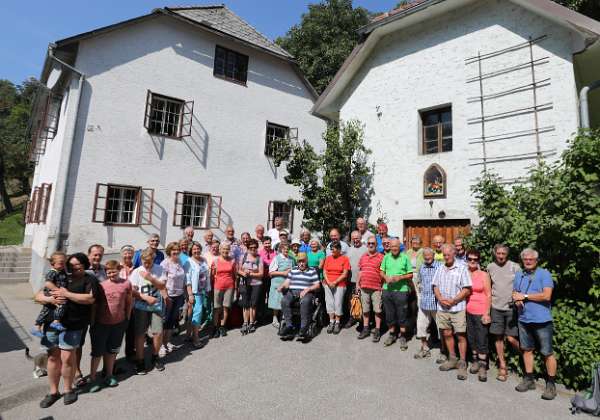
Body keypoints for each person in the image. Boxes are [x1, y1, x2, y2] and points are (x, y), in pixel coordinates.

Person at [35, 253, 97, 407]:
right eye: (72, 265)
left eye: (79, 265)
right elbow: (38, 295)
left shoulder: (89, 279)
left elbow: (89, 299)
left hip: (73, 324)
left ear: (84, 265)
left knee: (68, 359)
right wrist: (49, 299)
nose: (75, 267)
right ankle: (53, 392)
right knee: (52, 358)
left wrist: (66, 294)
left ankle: (69, 390)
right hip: (52, 324)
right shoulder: (60, 276)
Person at [512, 248, 557, 400]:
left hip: (542, 320)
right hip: (523, 319)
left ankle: (551, 385)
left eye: (531, 259)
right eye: (525, 259)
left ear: (536, 260)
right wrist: (517, 299)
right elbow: (515, 293)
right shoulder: (519, 274)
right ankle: (529, 379)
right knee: (527, 350)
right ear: (522, 261)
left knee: (547, 353)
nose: (528, 261)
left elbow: (547, 295)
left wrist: (524, 296)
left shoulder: (544, 274)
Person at [88, 260, 132, 392]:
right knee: (97, 353)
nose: (111, 274)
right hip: (101, 324)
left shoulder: (126, 284)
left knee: (112, 351)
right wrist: (93, 322)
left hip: (118, 323)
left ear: (119, 270)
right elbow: (94, 305)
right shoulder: (101, 286)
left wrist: (127, 318)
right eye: (108, 272)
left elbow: (129, 302)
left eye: (113, 271)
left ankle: (109, 375)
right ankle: (93, 378)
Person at [432, 244, 472, 380]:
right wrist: (440, 298)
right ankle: (452, 358)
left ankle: (462, 362)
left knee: (460, 335)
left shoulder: (462, 268)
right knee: (447, 333)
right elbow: (435, 285)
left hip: (457, 308)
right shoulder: (440, 268)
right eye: (444, 254)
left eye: (449, 254)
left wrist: (454, 300)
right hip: (442, 307)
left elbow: (467, 289)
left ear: (454, 254)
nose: (446, 256)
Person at [487, 244, 521, 382]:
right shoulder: (490, 267)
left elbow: (521, 286)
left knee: (512, 339)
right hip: (496, 308)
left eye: (503, 254)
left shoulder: (515, 267)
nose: (501, 256)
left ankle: (527, 358)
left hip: (511, 308)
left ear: (507, 254)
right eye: (498, 253)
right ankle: (503, 366)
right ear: (495, 253)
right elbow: (488, 287)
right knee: (498, 338)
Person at [130, 249, 166, 375]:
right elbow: (133, 291)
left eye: (149, 262)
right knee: (140, 333)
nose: (146, 265)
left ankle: (155, 356)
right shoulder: (136, 271)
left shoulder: (159, 269)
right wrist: (145, 298)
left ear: (153, 260)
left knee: (158, 332)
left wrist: (150, 278)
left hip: (156, 306)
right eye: (144, 262)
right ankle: (140, 360)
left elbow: (162, 286)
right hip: (141, 306)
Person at [278, 252, 321, 339]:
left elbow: (317, 285)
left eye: (303, 261)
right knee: (284, 300)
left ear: (306, 261)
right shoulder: (293, 269)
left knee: (305, 301)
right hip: (293, 292)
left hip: (307, 293)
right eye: (299, 261)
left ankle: (303, 327)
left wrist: (307, 289)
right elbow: (287, 282)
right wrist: (282, 286)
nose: (301, 263)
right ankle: (289, 325)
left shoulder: (312, 270)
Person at [380, 239, 413, 348]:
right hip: (387, 289)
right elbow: (381, 271)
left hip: (401, 290)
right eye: (392, 246)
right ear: (390, 247)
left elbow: (410, 274)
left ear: (399, 247)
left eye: (396, 247)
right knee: (389, 314)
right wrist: (385, 277)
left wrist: (400, 277)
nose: (394, 248)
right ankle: (392, 335)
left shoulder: (405, 257)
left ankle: (403, 336)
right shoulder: (386, 257)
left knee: (402, 314)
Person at [465, 249, 492, 382]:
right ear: (467, 260)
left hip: (481, 310)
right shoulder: (464, 273)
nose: (472, 261)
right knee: (471, 338)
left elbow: (488, 294)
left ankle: (483, 366)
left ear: (478, 261)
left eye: (475, 259)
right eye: (470, 259)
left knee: (482, 339)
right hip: (467, 310)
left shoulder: (484, 275)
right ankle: (475, 361)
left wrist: (487, 313)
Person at [32, 252, 68, 337]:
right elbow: (48, 283)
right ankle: (56, 322)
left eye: (64, 263)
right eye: (60, 263)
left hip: (53, 293)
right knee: (61, 304)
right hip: (51, 293)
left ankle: (37, 327)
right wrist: (58, 291)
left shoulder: (61, 271)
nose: (63, 265)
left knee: (45, 310)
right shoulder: (53, 272)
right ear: (52, 263)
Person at [413, 248, 440, 359]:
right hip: (424, 302)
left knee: (441, 328)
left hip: (437, 303)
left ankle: (444, 351)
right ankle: (424, 348)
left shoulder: (440, 267)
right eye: (425, 256)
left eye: (429, 255)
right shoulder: (422, 267)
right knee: (421, 326)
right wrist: (420, 293)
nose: (427, 258)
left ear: (433, 255)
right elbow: (419, 281)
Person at [160, 242, 186, 355]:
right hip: (168, 296)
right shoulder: (165, 263)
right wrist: (165, 296)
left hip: (179, 295)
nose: (176, 252)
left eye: (178, 250)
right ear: (169, 251)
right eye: (173, 250)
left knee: (171, 321)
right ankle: (160, 345)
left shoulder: (180, 262)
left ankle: (167, 342)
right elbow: (162, 283)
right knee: (164, 320)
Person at [357, 236, 384, 342]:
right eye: (369, 243)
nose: (371, 245)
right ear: (367, 245)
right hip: (364, 287)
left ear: (376, 245)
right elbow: (360, 271)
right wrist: (357, 285)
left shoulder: (381, 257)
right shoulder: (363, 257)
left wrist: (382, 286)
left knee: (377, 310)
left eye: (373, 243)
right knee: (365, 310)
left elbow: (384, 273)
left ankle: (377, 330)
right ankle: (366, 328)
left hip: (377, 288)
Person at [184, 242, 210, 348]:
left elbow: (207, 275)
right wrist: (190, 294)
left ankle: (188, 334)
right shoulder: (188, 262)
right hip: (195, 292)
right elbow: (188, 280)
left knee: (193, 313)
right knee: (197, 314)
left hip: (204, 290)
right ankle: (196, 337)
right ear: (191, 250)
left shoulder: (203, 260)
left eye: (198, 248)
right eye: (194, 249)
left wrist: (208, 288)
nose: (196, 251)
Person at [323, 242, 350, 334]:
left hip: (340, 284)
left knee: (338, 303)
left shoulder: (344, 259)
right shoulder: (328, 258)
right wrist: (328, 281)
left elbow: (345, 273)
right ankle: (331, 321)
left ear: (339, 249)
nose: (332, 250)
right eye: (331, 248)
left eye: (334, 248)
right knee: (329, 302)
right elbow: (324, 271)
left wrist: (335, 282)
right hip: (328, 284)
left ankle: (337, 322)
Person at [237, 239, 263, 335]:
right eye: (251, 247)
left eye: (255, 247)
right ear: (247, 248)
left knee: (253, 304)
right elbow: (238, 270)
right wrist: (244, 273)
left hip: (256, 284)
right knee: (245, 304)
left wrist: (251, 274)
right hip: (244, 283)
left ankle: (251, 322)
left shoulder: (259, 258)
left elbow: (261, 273)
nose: (253, 249)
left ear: (257, 248)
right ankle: (245, 323)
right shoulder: (243, 257)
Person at [212, 243, 237, 338]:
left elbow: (235, 276)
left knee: (226, 307)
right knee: (217, 308)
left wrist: (236, 287)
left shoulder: (232, 261)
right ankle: (215, 327)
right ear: (220, 250)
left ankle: (222, 326)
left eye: (227, 249)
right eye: (223, 249)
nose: (225, 251)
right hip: (218, 287)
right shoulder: (215, 261)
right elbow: (212, 275)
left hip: (229, 287)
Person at [268, 242, 294, 328]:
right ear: (281, 249)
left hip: (287, 284)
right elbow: (271, 272)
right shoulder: (276, 258)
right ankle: (274, 319)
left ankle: (283, 318)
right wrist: (284, 273)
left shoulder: (292, 259)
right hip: (277, 283)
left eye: (287, 249)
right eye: (284, 248)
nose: (286, 250)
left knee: (285, 301)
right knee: (276, 302)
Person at [345, 230, 367, 328]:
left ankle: (362, 320)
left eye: (357, 238)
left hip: (362, 280)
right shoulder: (349, 250)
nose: (355, 240)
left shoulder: (366, 249)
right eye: (353, 238)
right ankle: (352, 318)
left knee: (362, 301)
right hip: (350, 280)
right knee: (351, 300)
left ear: (360, 238)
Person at [119, 245, 137, 361]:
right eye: (125, 253)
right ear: (122, 255)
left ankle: (130, 353)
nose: (128, 255)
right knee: (118, 332)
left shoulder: (136, 269)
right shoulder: (117, 268)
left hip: (134, 304)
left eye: (130, 253)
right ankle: (112, 359)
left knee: (131, 331)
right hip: (120, 305)